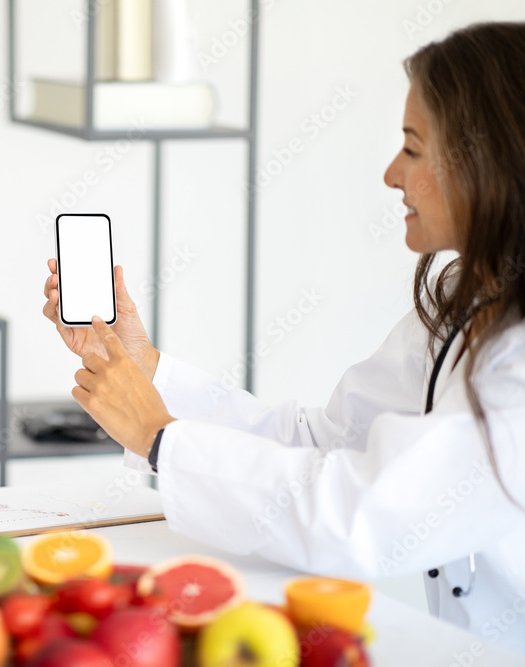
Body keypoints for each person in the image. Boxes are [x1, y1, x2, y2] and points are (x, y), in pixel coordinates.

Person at [43, 22, 525, 655]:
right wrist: (147, 369)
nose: (389, 174)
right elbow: (325, 444)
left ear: (483, 160)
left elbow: (367, 513)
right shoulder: (464, 298)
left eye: (411, 148)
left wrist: (162, 439)